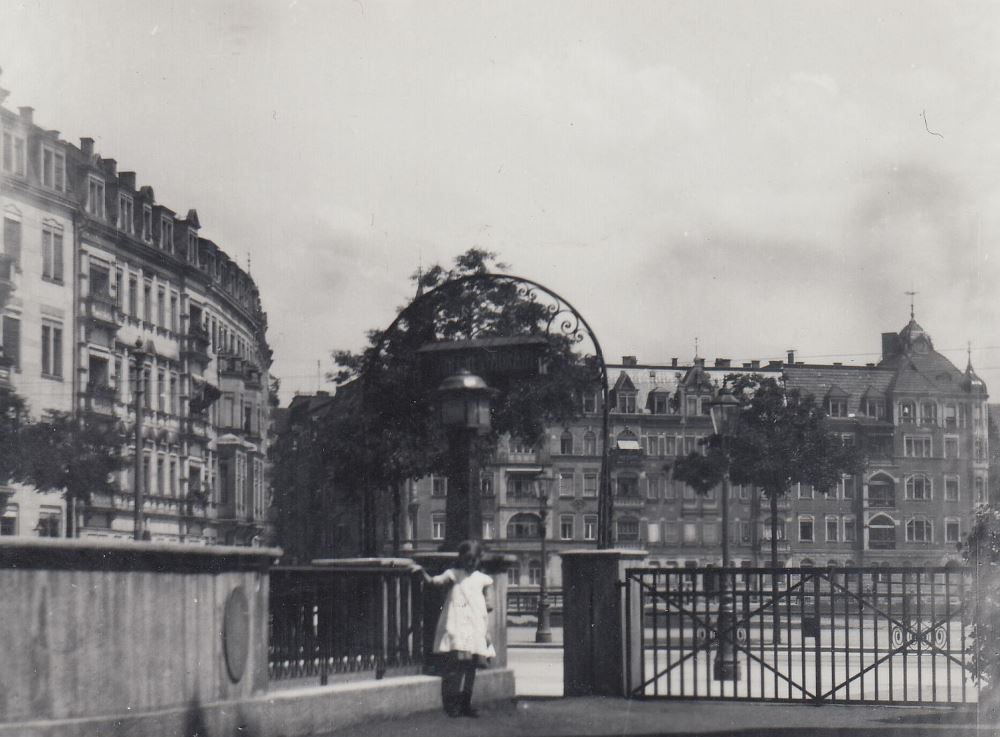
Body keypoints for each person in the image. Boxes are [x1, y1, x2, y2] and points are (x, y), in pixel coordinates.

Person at [415, 540, 496, 717]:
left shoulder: (483, 579)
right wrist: (424, 575)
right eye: (467, 559)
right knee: (456, 665)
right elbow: (436, 582)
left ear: (479, 560)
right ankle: (452, 704)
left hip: (476, 625)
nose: (470, 562)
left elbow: (489, 605)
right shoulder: (454, 574)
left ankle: (466, 703)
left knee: (471, 668)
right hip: (458, 624)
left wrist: (487, 627)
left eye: (474, 559)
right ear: (461, 558)